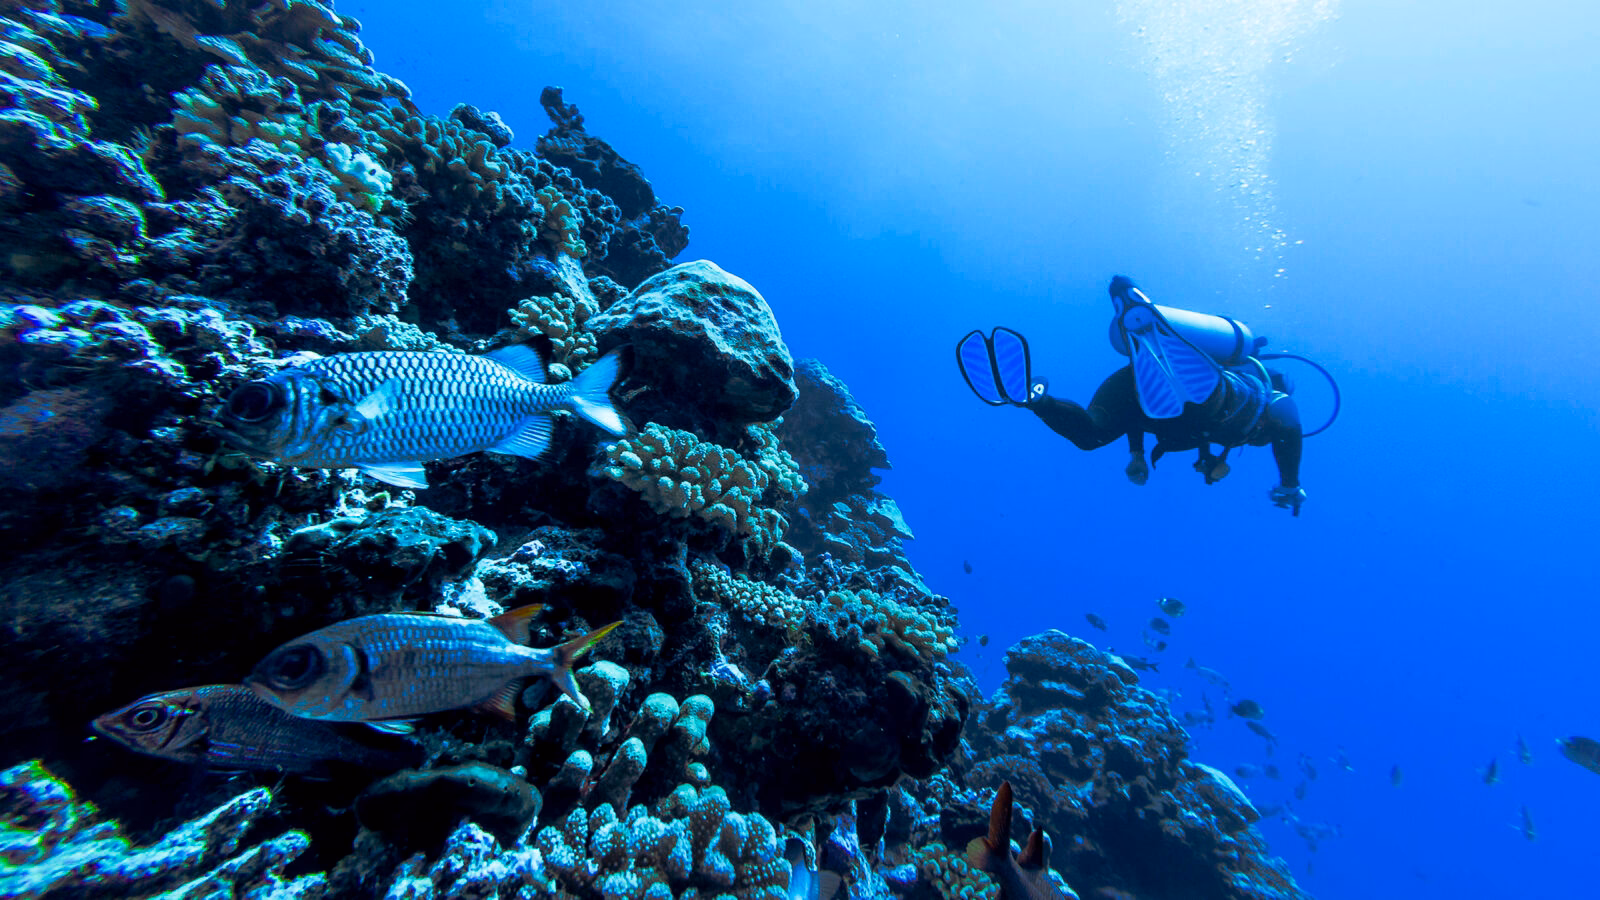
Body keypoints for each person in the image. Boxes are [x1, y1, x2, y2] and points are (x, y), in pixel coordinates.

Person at [958, 276, 1309, 515]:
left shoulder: (1213, 441)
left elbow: (1146, 416)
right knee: (1210, 403)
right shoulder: (1270, 404)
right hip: (1193, 393)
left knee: (1090, 434)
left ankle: (1036, 399)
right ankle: (1159, 339)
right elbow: (1289, 426)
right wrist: (1289, 485)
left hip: (1139, 388)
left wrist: (1138, 453)